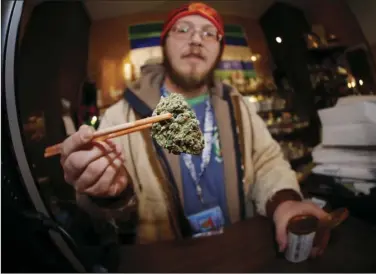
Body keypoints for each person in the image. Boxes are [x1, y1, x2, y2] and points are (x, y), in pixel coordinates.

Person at [60, 2, 329, 255]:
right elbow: (101, 220)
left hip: (239, 251)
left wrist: (285, 202)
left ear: (219, 49)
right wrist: (111, 194)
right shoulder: (123, 115)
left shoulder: (236, 103)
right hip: (166, 261)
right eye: (183, 30)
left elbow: (268, 163)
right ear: (164, 43)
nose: (196, 39)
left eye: (209, 33)